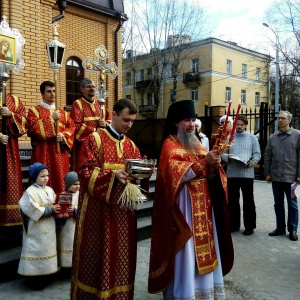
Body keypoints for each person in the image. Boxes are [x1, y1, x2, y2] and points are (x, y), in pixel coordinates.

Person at [148, 100, 234, 299]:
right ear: (177, 123)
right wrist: (205, 163)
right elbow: (175, 175)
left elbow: (211, 174)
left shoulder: (196, 143)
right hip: (183, 210)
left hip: (204, 209)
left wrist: (214, 166)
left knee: (206, 248)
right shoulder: (170, 145)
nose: (191, 124)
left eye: (193, 120)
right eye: (187, 120)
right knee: (187, 251)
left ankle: (204, 291)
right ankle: (184, 292)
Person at [71, 98, 146, 299]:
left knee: (120, 258)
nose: (129, 125)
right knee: (96, 256)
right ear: (113, 115)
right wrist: (113, 176)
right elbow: (85, 172)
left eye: (132, 121)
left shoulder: (131, 145)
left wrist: (142, 173)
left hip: (123, 216)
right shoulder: (94, 140)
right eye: (126, 120)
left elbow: (137, 183)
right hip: (98, 215)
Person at [26, 81, 75, 193]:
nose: (52, 94)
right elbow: (34, 129)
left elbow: (71, 127)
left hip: (60, 155)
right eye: (49, 91)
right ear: (42, 94)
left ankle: (61, 207)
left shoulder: (63, 112)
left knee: (60, 181)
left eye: (54, 91)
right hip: (43, 152)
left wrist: (63, 136)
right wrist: (51, 119)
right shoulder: (34, 111)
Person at [18, 162, 60, 290]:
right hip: (36, 230)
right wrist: (49, 210)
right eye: (42, 176)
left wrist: (59, 210)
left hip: (49, 228)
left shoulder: (49, 189)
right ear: (34, 176)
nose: (46, 178)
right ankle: (34, 280)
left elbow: (54, 203)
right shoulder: (30, 192)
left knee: (47, 249)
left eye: (47, 175)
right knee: (37, 251)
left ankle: (47, 276)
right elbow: (29, 207)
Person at [221, 115, 261, 235]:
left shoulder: (252, 138)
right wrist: (229, 157)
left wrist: (250, 162)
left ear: (245, 125)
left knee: (248, 201)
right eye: (237, 124)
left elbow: (257, 154)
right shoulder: (229, 138)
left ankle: (249, 226)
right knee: (233, 201)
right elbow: (222, 153)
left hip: (247, 174)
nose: (239, 127)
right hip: (232, 173)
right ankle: (234, 225)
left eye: (241, 125)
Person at [264, 110, 300, 241]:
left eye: (283, 118)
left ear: (289, 120)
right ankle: (280, 228)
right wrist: (267, 173)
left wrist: (299, 175)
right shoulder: (273, 137)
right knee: (278, 203)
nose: (280, 120)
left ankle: (293, 229)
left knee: (292, 204)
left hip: (291, 177)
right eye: (278, 118)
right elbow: (267, 156)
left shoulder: (297, 135)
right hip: (276, 177)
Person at [70, 78, 112, 171]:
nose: (92, 88)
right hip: (84, 146)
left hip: (100, 145)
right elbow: (75, 125)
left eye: (93, 86)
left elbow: (110, 120)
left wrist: (105, 124)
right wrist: (94, 131)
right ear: (82, 89)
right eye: (89, 87)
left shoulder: (100, 104)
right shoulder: (77, 104)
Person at [0, 87, 27, 226]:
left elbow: (24, 122)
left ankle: (11, 218)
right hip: (1, 140)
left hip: (9, 147)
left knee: (10, 180)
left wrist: (11, 115)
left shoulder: (14, 100)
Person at [56, 171, 80, 273]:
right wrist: (61, 214)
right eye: (75, 184)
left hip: (76, 226)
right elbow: (58, 211)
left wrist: (74, 211)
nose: (77, 186)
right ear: (68, 184)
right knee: (65, 244)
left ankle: (75, 267)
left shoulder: (81, 195)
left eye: (79, 184)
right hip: (65, 228)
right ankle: (65, 267)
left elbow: (84, 210)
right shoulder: (62, 195)